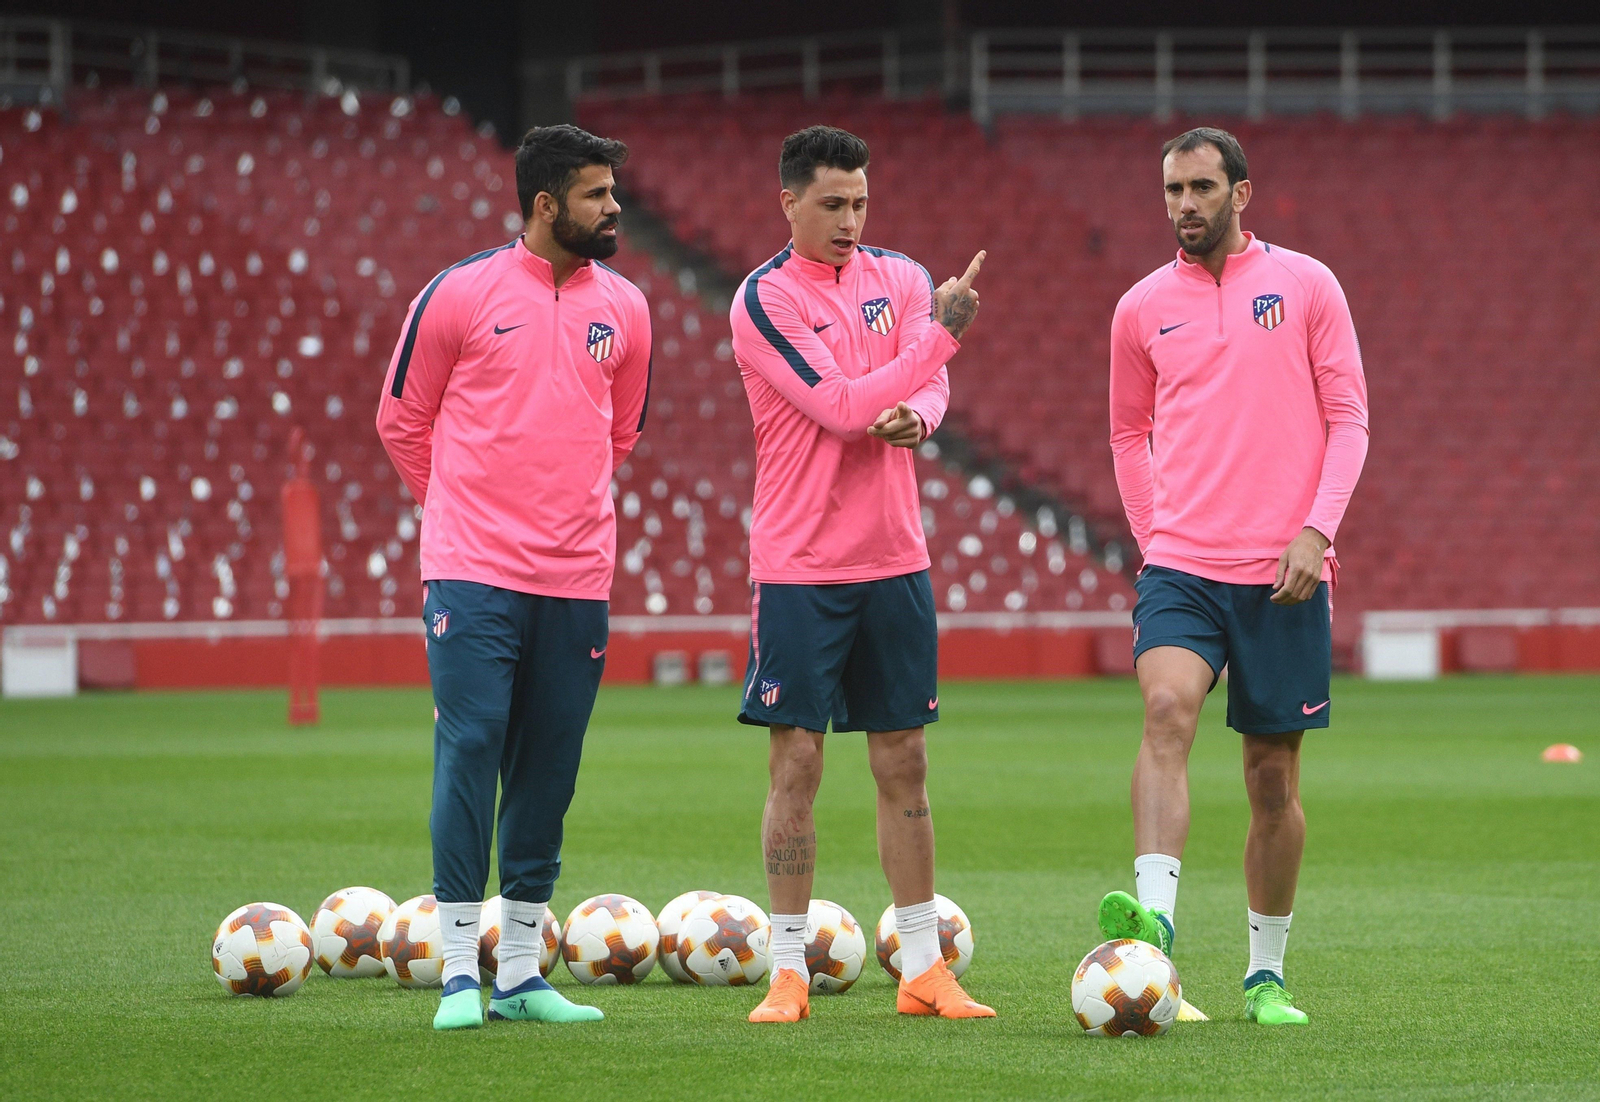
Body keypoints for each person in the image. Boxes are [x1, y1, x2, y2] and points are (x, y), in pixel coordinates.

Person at [376, 124, 652, 1031]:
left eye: (612, 191)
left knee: (549, 766)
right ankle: (460, 973)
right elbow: (401, 420)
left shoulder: (629, 309)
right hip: (473, 573)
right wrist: (463, 512)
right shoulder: (458, 293)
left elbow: (620, 434)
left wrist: (556, 515)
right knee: (471, 749)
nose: (613, 207)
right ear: (544, 204)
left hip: (577, 578)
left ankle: (523, 974)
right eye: (595, 194)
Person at [1102, 126, 1369, 1025]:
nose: (1185, 205)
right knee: (1165, 709)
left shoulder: (1308, 285)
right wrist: (1157, 542)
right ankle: (1155, 932)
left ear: (1241, 193)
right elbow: (1126, 434)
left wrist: (1315, 533)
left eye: (1202, 188)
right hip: (1182, 566)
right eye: (1173, 190)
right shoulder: (1140, 306)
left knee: (1271, 780)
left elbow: (1350, 419)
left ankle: (1264, 976)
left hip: (1284, 572)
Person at [728, 124, 992, 1024]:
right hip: (801, 565)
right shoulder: (764, 298)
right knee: (798, 761)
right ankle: (788, 972)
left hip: (893, 555)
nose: (850, 221)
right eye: (833, 204)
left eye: (861, 203)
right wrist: (942, 344)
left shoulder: (904, 278)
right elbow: (841, 407)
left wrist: (923, 414)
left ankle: (923, 967)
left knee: (904, 760)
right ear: (789, 202)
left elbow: (920, 387)